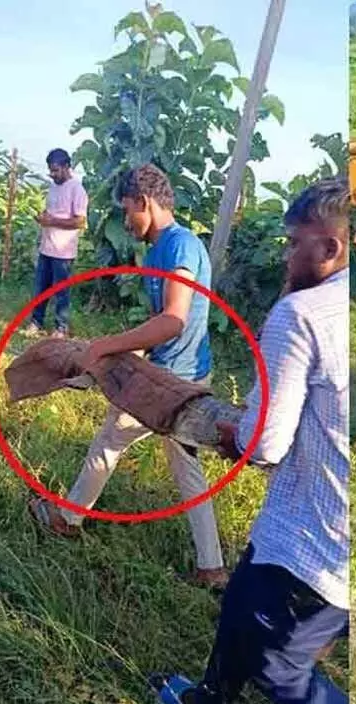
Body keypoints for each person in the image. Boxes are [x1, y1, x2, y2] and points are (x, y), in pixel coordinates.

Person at [151, 177, 350, 704]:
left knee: (280, 670)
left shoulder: (302, 315)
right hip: (318, 528)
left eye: (294, 244)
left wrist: (227, 433)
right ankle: (206, 703)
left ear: (329, 248)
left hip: (310, 541)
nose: (287, 256)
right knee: (239, 605)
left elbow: (264, 443)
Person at [26, 163, 227, 589]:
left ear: (145, 203)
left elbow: (173, 319)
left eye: (126, 211)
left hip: (170, 385)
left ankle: (68, 518)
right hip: (179, 374)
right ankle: (211, 566)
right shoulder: (163, 248)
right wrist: (115, 353)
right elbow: (162, 324)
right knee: (186, 469)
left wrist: (105, 346)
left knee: (109, 440)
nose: (125, 222)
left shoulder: (179, 247)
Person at [24, 148, 87, 339]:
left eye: (56, 170)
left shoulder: (77, 189)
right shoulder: (53, 187)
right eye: (50, 170)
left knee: (61, 292)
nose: (52, 174)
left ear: (67, 167)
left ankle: (61, 328)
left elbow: (80, 221)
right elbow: (52, 212)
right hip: (47, 247)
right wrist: (43, 217)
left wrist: (52, 222)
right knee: (41, 288)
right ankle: (36, 322)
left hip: (64, 252)